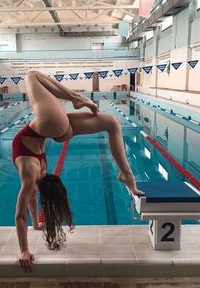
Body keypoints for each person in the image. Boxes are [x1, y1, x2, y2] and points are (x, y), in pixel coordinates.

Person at [12, 71, 145, 272]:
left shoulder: (35, 174)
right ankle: (76, 98)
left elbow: (23, 209)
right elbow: (23, 207)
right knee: (32, 75)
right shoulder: (33, 173)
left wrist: (30, 236)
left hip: (53, 126)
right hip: (51, 125)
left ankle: (126, 173)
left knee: (112, 123)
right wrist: (29, 239)